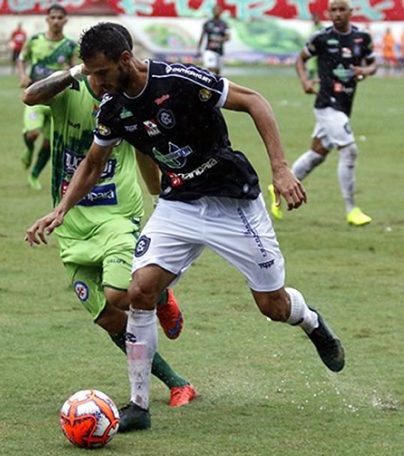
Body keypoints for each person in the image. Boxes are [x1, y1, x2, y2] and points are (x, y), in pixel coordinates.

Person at [25, 22, 346, 433]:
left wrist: (281, 170)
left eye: (101, 72)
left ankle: (312, 323)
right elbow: (92, 163)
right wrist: (62, 210)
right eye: (89, 73)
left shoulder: (178, 79)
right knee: (139, 290)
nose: (95, 81)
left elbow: (255, 101)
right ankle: (139, 405)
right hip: (179, 205)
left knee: (273, 306)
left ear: (125, 60)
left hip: (232, 201)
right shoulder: (111, 109)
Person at [22, 24, 198, 408]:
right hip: (70, 222)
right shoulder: (69, 92)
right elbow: (30, 96)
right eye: (95, 74)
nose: (103, 82)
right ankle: (177, 382)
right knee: (106, 317)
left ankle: (159, 294)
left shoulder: (125, 101)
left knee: (119, 294)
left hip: (118, 213)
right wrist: (74, 73)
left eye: (106, 73)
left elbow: (145, 150)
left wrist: (159, 194)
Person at [281, 0, 377, 226]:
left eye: (342, 9)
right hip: (326, 103)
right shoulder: (321, 38)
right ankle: (352, 209)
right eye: (333, 10)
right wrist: (304, 81)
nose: (337, 14)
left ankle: (283, 183)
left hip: (345, 104)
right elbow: (300, 59)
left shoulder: (362, 38)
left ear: (350, 12)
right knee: (349, 150)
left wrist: (365, 70)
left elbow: (373, 64)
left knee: (318, 153)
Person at [17, 5, 76, 191]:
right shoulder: (35, 40)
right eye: (53, 17)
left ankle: (34, 175)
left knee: (49, 143)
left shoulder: (70, 46)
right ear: (47, 20)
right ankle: (28, 148)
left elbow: (76, 70)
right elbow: (21, 58)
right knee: (33, 134)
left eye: (60, 17)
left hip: (57, 99)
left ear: (65, 20)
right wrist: (22, 76)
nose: (56, 21)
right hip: (35, 95)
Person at [196, 5, 230, 75]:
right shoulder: (207, 23)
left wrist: (220, 40)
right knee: (210, 67)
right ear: (212, 11)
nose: (216, 12)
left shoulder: (224, 24)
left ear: (221, 12)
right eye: (215, 10)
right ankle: (209, 83)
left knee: (218, 72)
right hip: (209, 49)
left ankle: (217, 84)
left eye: (218, 10)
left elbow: (228, 37)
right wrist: (198, 49)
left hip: (219, 51)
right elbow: (202, 36)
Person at [306, 13, 324, 80]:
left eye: (316, 18)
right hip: (312, 49)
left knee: (320, 67)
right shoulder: (312, 27)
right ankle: (309, 81)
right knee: (311, 67)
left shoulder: (321, 27)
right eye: (313, 19)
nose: (314, 20)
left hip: (320, 50)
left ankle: (321, 80)